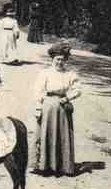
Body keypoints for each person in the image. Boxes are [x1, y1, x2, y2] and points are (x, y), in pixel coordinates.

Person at [32, 42, 82, 176]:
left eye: (62, 59)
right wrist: (38, 107)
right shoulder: (45, 73)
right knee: (45, 134)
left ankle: (62, 165)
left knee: (63, 135)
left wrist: (67, 98)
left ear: (66, 60)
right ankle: (44, 165)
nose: (59, 62)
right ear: (52, 59)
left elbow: (77, 90)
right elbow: (38, 91)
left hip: (63, 108)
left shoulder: (70, 74)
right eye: (57, 59)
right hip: (48, 107)